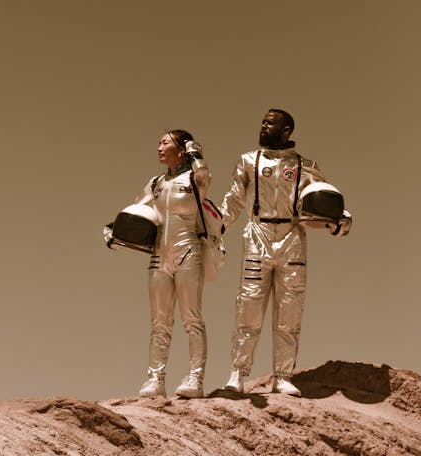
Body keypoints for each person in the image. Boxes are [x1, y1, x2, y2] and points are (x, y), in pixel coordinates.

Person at [220, 109, 351, 397]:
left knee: (290, 309)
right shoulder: (248, 161)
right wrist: (215, 228)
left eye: (270, 123)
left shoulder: (305, 166)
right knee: (249, 305)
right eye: (263, 122)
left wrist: (339, 220)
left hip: (292, 236)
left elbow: (322, 200)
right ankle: (237, 374)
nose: (264, 126)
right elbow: (233, 201)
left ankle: (283, 375)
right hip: (258, 234)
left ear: (287, 130)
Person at [130, 130, 211, 399]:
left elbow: (204, 176)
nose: (159, 147)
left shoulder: (194, 178)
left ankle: (195, 378)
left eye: (165, 143)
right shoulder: (155, 183)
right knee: (160, 323)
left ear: (181, 148)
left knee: (192, 319)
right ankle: (155, 378)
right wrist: (115, 230)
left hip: (188, 251)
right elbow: (137, 210)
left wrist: (195, 152)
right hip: (158, 256)